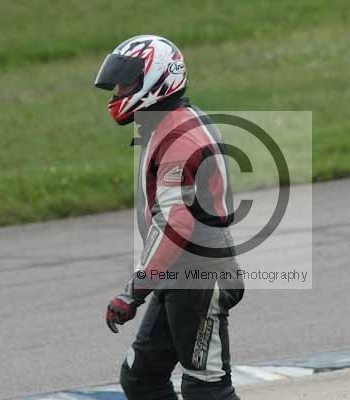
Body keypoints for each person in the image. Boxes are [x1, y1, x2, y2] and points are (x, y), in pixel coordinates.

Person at [94, 35, 244, 400]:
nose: (117, 92)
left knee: (206, 389)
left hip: (199, 275)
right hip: (180, 274)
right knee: (142, 379)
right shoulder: (169, 123)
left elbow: (176, 224)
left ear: (156, 80)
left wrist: (133, 292)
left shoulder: (180, 138)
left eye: (126, 83)